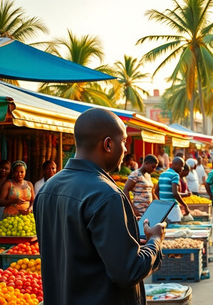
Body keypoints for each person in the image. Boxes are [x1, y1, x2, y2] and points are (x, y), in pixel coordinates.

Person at [34, 108, 165, 304]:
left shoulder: (47, 189)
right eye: (124, 142)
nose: (126, 150)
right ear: (108, 144)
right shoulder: (106, 195)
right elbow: (128, 272)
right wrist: (155, 240)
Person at [156, 157, 191, 222]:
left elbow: (156, 191)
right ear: (175, 164)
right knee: (175, 227)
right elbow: (175, 193)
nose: (182, 169)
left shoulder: (163, 174)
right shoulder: (175, 175)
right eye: (181, 166)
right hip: (173, 208)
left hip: (164, 207)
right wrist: (185, 205)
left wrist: (162, 201)